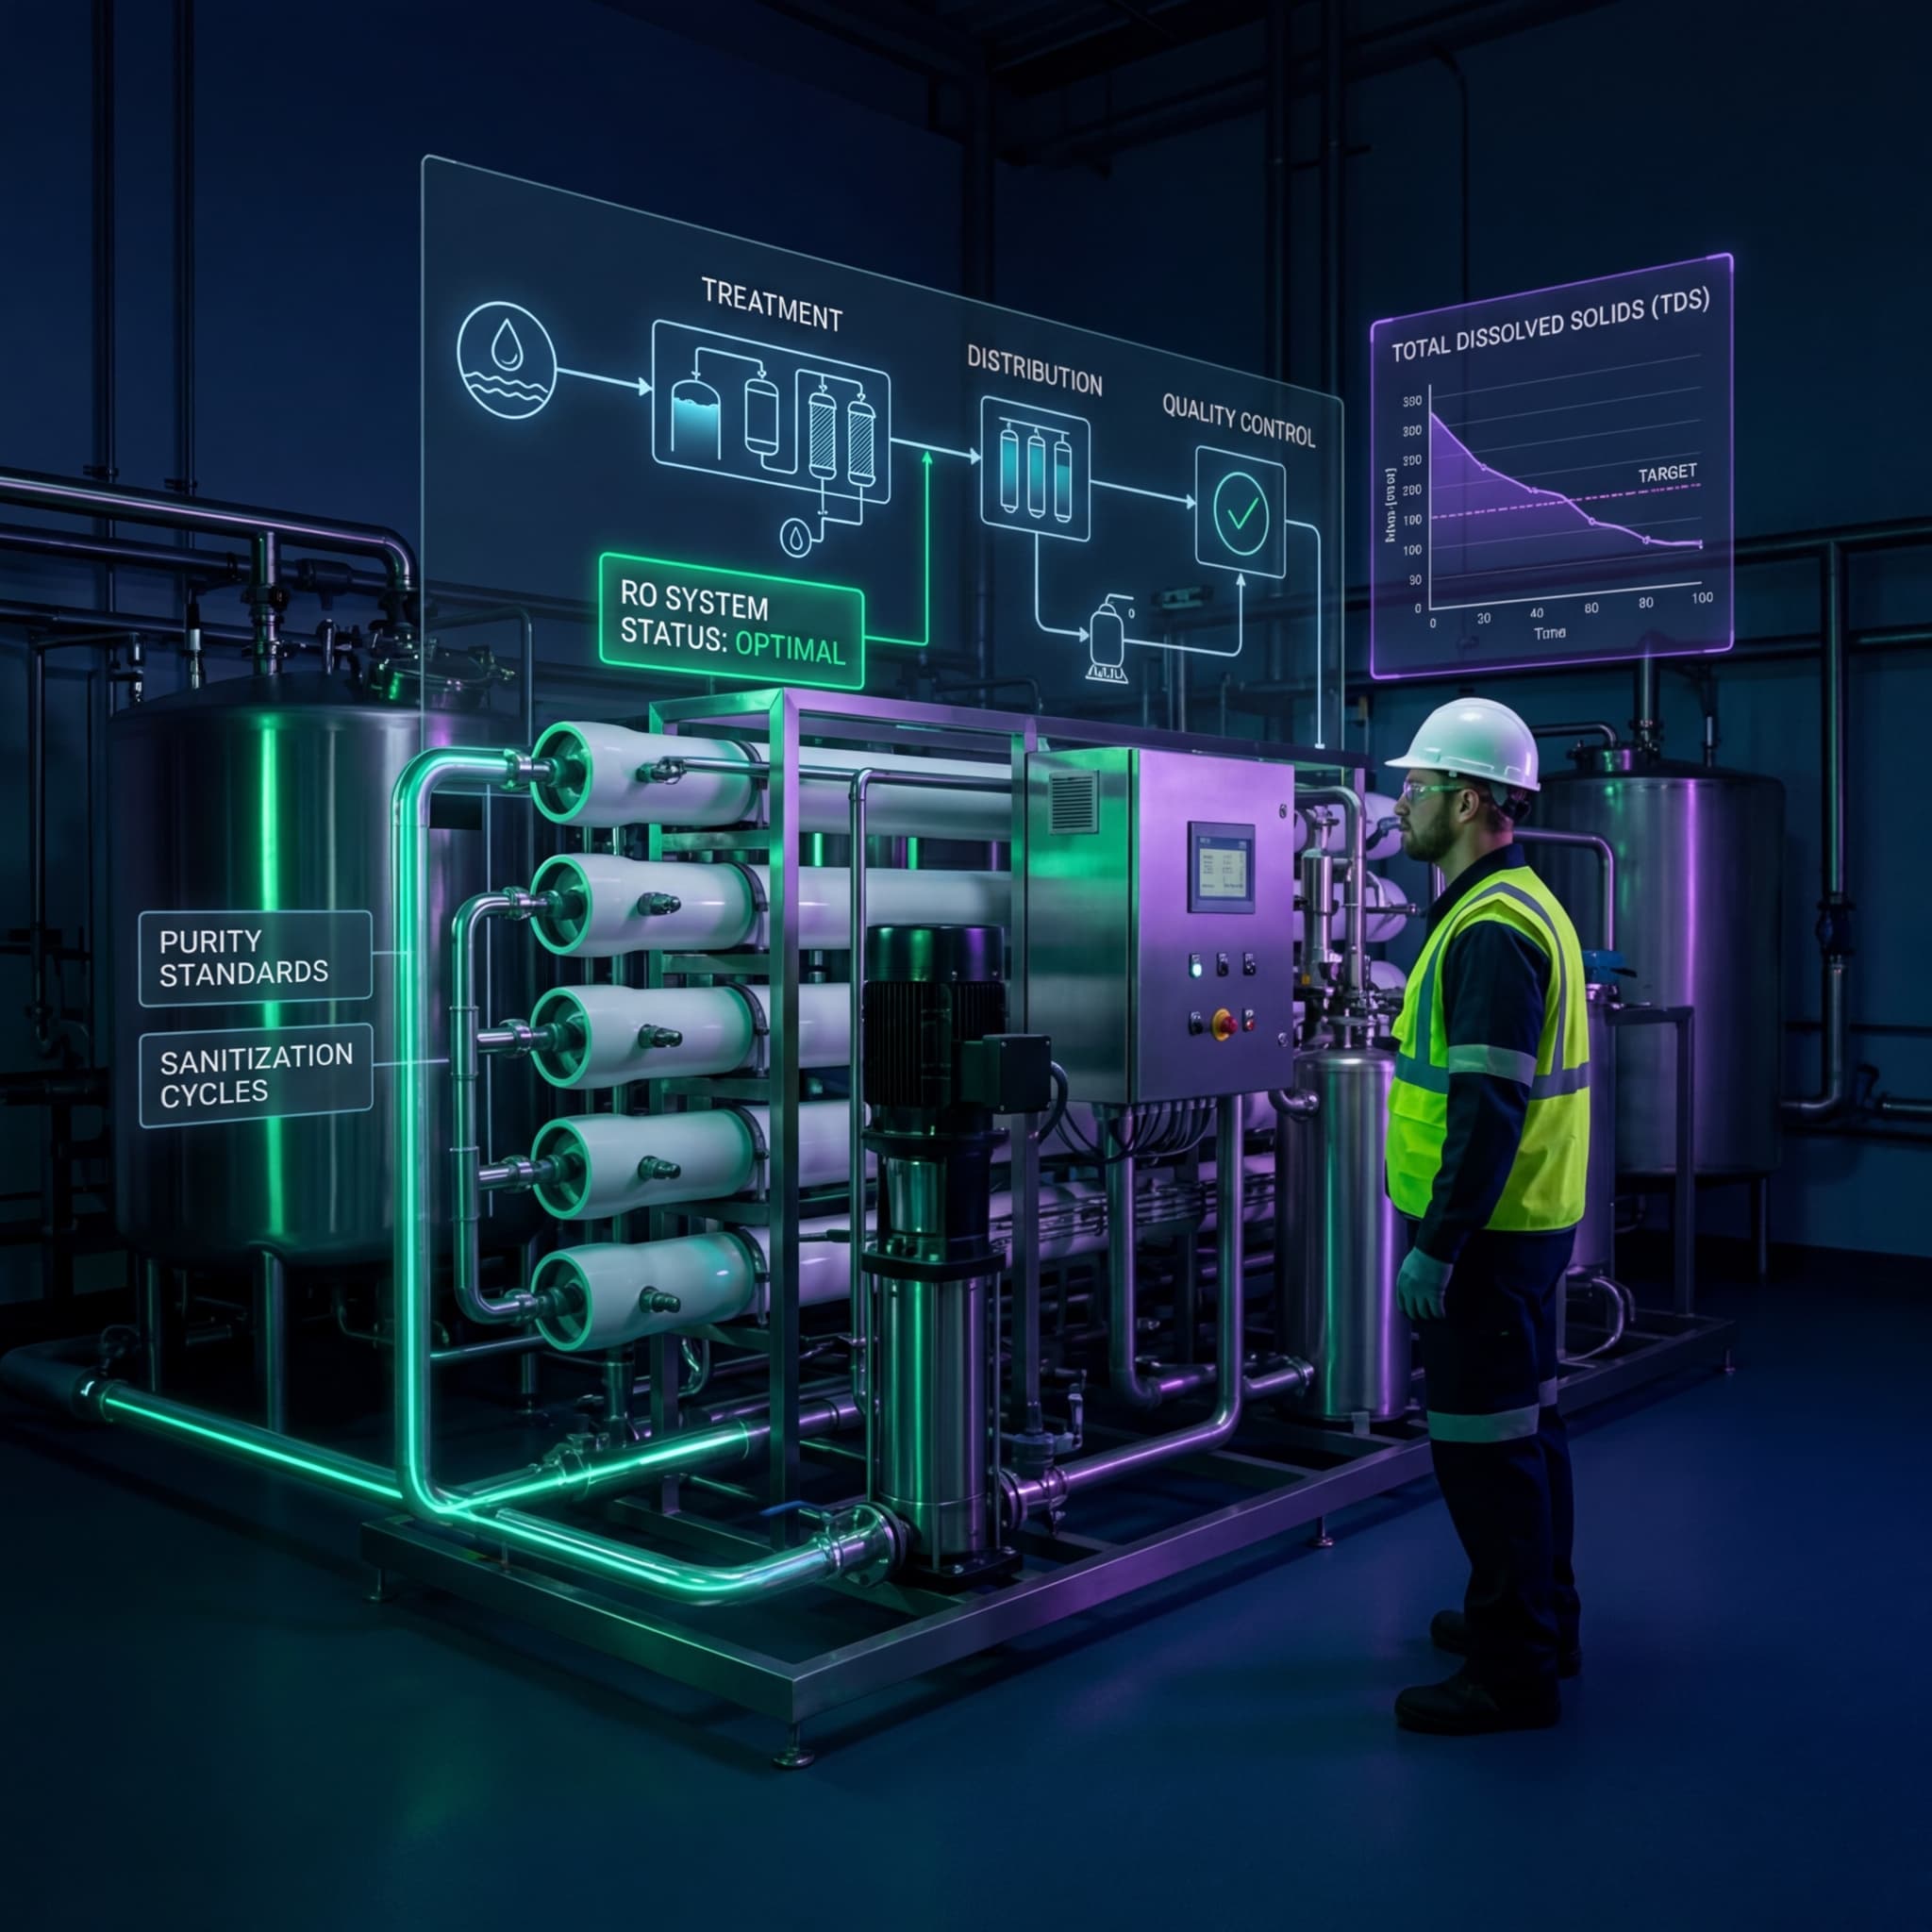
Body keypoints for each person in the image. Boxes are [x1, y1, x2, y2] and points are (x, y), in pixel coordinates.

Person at [1382, 696, 1591, 1735]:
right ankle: (1540, 1619)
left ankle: (1512, 1671)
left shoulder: (1490, 930)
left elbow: (1486, 1101)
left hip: (1485, 1235)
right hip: (1526, 1224)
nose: (1399, 801)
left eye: (1414, 785)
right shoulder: (1516, 903)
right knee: (1530, 1427)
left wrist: (1436, 1242)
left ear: (1465, 798)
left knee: (1482, 1448)